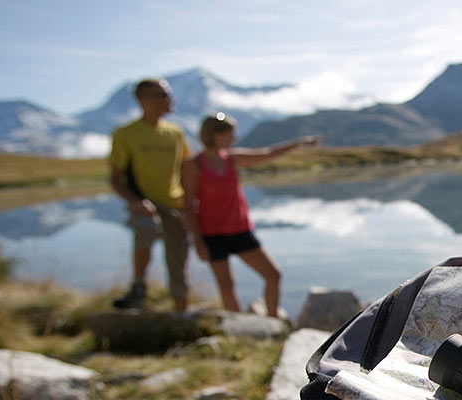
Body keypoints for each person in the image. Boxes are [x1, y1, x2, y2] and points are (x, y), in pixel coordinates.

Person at [182, 112, 320, 317]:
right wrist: (197, 240)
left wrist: (298, 143)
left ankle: (272, 321)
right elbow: (188, 204)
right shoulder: (193, 165)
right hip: (212, 234)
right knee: (227, 286)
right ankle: (239, 328)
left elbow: (268, 153)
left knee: (273, 275)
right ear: (215, 135)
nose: (234, 138)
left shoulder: (232, 158)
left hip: (240, 229)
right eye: (230, 134)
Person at [108, 78, 191, 312]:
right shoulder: (126, 134)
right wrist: (135, 202)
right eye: (163, 95)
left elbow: (186, 170)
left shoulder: (175, 133)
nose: (169, 100)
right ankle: (139, 288)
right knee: (145, 230)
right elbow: (115, 177)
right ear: (144, 99)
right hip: (145, 204)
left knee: (178, 257)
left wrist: (189, 205)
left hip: (176, 204)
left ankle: (181, 310)